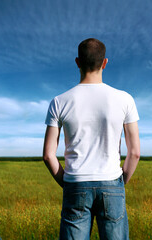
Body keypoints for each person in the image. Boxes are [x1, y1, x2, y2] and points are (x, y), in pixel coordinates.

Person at [43, 38, 140, 240]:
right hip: (112, 182)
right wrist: (119, 184)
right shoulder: (125, 99)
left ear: (77, 62)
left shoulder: (59, 102)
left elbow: (48, 155)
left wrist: (68, 182)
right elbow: (134, 153)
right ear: (105, 62)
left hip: (75, 183)